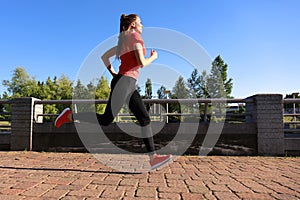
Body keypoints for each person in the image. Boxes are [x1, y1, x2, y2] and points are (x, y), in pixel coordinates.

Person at [54, 13, 171, 170]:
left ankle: (153, 158)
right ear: (134, 25)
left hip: (127, 83)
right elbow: (142, 63)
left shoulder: (123, 41)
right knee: (106, 119)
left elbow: (104, 57)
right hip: (125, 82)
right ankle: (69, 115)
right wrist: (154, 57)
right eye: (140, 22)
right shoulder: (135, 37)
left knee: (144, 119)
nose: (142, 25)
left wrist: (115, 74)